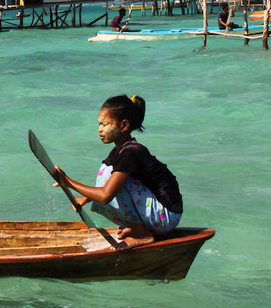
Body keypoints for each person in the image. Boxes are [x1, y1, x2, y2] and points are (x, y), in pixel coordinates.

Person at [54, 95, 183, 248]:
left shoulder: (131, 153)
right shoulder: (120, 150)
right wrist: (85, 198)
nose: (100, 129)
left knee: (113, 181)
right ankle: (137, 227)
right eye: (99, 124)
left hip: (166, 217)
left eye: (105, 124)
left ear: (124, 125)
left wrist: (67, 182)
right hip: (157, 215)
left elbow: (105, 196)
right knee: (107, 172)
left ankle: (141, 234)